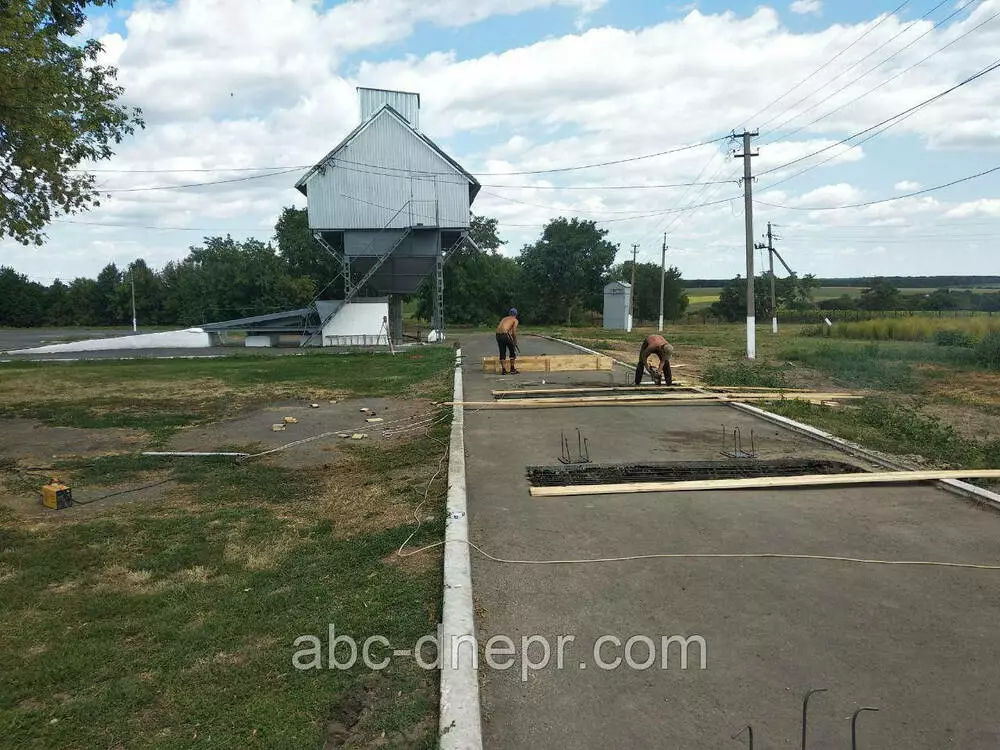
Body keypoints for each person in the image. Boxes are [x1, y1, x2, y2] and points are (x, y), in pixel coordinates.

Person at [496, 308, 520, 374]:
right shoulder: (515, 320)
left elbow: (504, 328)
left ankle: (503, 370)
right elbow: (513, 332)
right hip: (505, 334)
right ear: (516, 314)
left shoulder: (504, 318)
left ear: (509, 314)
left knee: (502, 352)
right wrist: (515, 341)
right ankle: (512, 369)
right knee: (512, 350)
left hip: (498, 335)